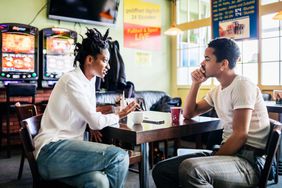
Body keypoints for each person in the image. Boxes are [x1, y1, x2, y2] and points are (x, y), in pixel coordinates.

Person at [152, 38, 270, 188]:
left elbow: (240, 135)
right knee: (162, 170)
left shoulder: (242, 85)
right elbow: (189, 113)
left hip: (249, 162)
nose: (202, 63)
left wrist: (215, 157)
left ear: (223, 64)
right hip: (228, 153)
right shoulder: (217, 90)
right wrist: (196, 84)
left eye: (207, 59)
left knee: (191, 169)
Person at [34, 28, 138, 188]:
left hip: (69, 154)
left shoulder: (89, 82)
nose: (108, 66)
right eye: (104, 60)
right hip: (52, 151)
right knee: (119, 156)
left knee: (99, 182)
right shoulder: (71, 80)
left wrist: (92, 121)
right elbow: (95, 121)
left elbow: (90, 116)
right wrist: (120, 113)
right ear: (90, 59)